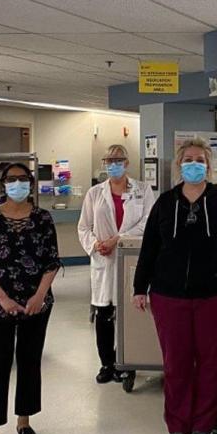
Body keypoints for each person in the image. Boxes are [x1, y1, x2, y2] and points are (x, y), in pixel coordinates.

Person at [132, 138, 217, 434]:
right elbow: (150, 248)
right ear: (179, 165)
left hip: (216, 296)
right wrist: (139, 287)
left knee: (211, 363)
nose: (194, 164)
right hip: (169, 296)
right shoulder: (166, 203)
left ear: (208, 167)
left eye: (199, 159)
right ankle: (177, 423)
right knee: (176, 363)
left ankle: (203, 423)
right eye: (188, 159)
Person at [0, 163, 61, 434]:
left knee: (29, 360)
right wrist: (3, 299)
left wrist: (39, 296)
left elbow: (51, 261)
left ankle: (24, 421)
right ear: (3, 184)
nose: (18, 184)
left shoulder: (43, 219)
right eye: (12, 180)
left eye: (24, 180)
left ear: (31, 184)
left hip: (36, 305)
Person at [78, 145, 157, 384]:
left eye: (118, 160)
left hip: (133, 259)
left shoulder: (142, 190)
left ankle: (129, 360)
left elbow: (148, 223)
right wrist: (95, 245)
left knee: (129, 313)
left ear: (127, 163)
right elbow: (83, 227)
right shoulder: (94, 193)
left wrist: (117, 240)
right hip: (104, 260)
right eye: (109, 160)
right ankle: (106, 364)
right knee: (104, 313)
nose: (113, 164)